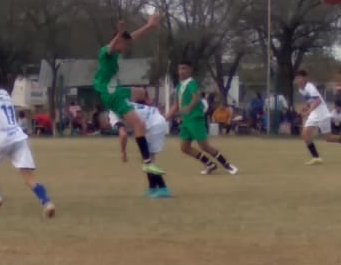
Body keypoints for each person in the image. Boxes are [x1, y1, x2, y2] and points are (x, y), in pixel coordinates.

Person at [94, 13, 169, 196]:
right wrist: (119, 34)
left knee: (140, 92)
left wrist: (149, 26)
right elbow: (111, 47)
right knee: (139, 125)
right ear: (116, 40)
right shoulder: (106, 51)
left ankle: (149, 161)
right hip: (109, 94)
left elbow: (131, 38)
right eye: (123, 44)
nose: (126, 47)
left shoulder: (118, 48)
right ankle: (147, 161)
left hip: (116, 89)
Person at [0, 67, 55, 217]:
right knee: (29, 176)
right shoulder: (5, 93)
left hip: (1, 136)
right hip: (18, 136)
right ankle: (47, 202)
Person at [170, 61, 236, 175]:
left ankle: (227, 165)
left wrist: (188, 107)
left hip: (195, 119)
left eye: (184, 68)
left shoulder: (191, 83)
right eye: (180, 69)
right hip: (186, 120)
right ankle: (210, 164)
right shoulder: (179, 86)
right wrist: (164, 117)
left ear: (190, 70)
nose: (181, 71)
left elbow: (195, 98)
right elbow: (175, 105)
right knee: (184, 148)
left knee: (204, 146)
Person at [295, 69, 341, 164]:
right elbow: (309, 101)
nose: (298, 80)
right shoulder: (301, 90)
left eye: (299, 78)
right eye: (296, 78)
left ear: (305, 78)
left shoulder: (309, 87)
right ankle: (316, 158)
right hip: (314, 114)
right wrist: (303, 109)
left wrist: (307, 112)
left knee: (328, 138)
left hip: (322, 113)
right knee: (305, 134)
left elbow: (317, 101)